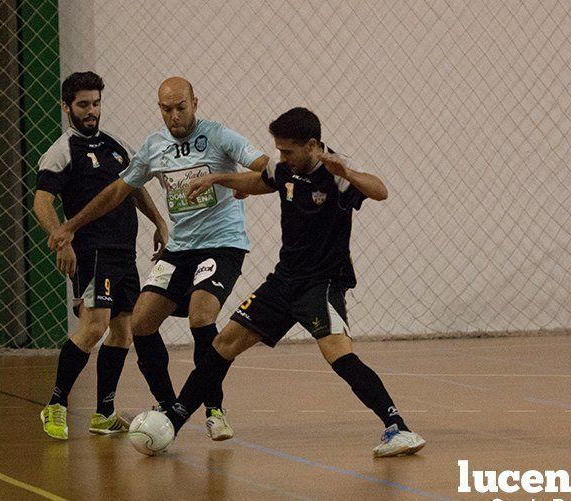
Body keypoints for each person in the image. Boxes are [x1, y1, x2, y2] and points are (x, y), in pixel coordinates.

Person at [162, 107, 426, 458]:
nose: (280, 156)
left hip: (321, 283)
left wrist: (347, 170)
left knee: (339, 355)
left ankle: (399, 429)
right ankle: (172, 421)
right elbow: (261, 181)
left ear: (313, 145)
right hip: (284, 280)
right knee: (224, 342)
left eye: (287, 150)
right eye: (279, 149)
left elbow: (380, 191)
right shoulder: (285, 168)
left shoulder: (336, 175)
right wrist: (217, 180)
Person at [49, 77, 269, 441]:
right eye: (166, 109)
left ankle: (214, 409)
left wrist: (230, 180)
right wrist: (70, 225)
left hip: (222, 244)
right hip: (180, 248)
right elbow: (119, 190)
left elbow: (266, 170)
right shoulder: (154, 146)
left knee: (201, 315)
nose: (174, 116)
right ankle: (168, 406)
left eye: (181, 107)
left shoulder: (219, 137)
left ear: (195, 103)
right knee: (140, 323)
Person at [34, 71, 167, 440]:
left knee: (123, 330)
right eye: (83, 105)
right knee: (95, 325)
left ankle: (103, 413)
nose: (91, 111)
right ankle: (56, 404)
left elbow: (133, 187)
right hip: (92, 252)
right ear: (66, 108)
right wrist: (62, 239)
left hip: (124, 251)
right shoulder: (62, 151)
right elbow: (41, 201)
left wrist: (158, 221)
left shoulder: (117, 145)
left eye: (95, 103)